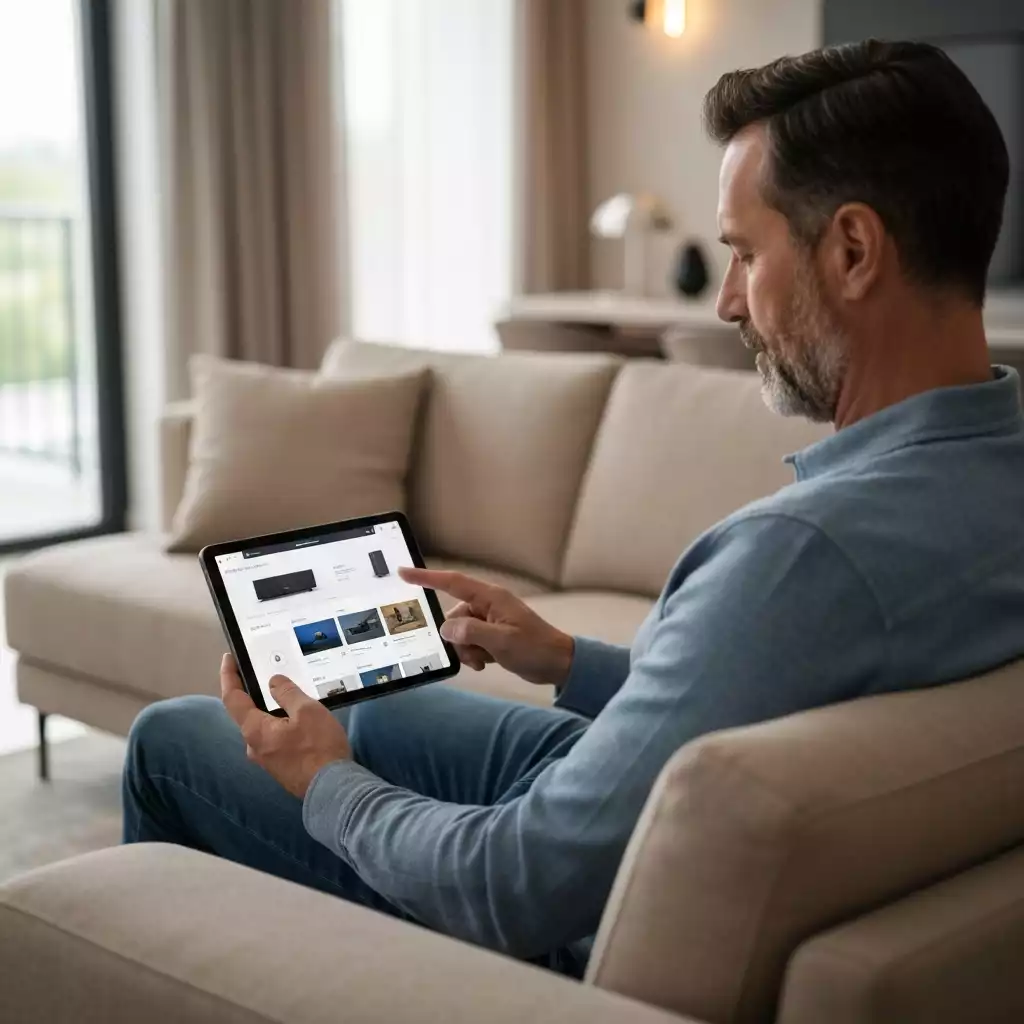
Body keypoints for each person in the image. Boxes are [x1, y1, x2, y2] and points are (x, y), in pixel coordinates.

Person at [122, 39, 1024, 977]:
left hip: (565, 927)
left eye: (745, 253)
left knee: (173, 741)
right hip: (694, 846)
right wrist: (560, 658)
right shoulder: (993, 483)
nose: (725, 303)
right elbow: (772, 684)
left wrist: (323, 783)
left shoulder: (795, 554)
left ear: (852, 250)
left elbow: (508, 886)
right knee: (385, 716)